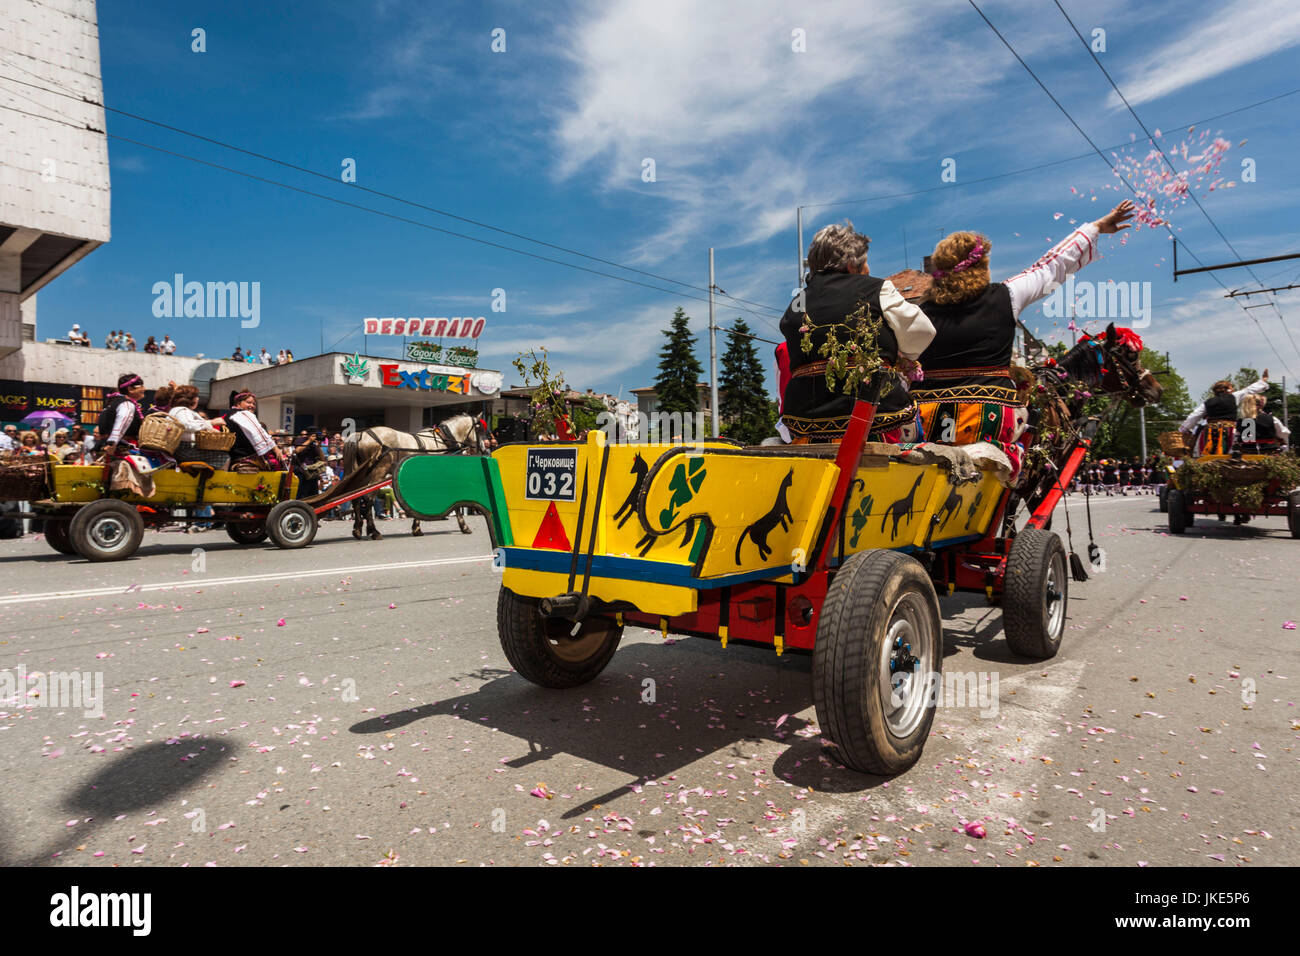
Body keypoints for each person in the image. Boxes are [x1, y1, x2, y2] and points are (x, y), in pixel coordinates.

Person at [912, 200, 1136, 481]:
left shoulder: (918, 312)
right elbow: (1051, 266)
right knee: (1034, 420)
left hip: (928, 421)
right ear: (981, 266)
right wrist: (1096, 228)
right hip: (986, 419)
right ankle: (1022, 479)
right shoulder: (1006, 295)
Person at [778, 221, 936, 444]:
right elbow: (922, 331)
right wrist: (902, 354)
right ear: (852, 264)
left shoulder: (798, 300)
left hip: (806, 422)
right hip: (876, 416)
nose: (869, 269)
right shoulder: (876, 289)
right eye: (865, 262)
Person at [1180, 373, 1268, 456]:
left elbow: (1194, 416)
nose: (1233, 389)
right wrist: (1263, 381)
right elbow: (1249, 390)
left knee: (1206, 457)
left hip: (1210, 432)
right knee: (1230, 455)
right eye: (1231, 387)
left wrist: (1183, 429)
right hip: (1229, 432)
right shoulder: (1234, 397)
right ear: (1227, 389)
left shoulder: (1207, 402)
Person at [225, 390, 283, 471]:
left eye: (254, 404)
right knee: (277, 463)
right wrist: (276, 449)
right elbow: (261, 434)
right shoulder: (245, 414)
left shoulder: (227, 415)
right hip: (247, 456)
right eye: (248, 402)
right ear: (238, 403)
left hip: (233, 457)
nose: (252, 405)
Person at [292, 430, 326, 498]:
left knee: (313, 495)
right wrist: (309, 440)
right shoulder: (300, 440)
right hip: (301, 472)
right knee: (301, 495)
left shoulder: (314, 444)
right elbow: (297, 450)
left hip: (312, 473)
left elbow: (322, 459)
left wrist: (318, 446)